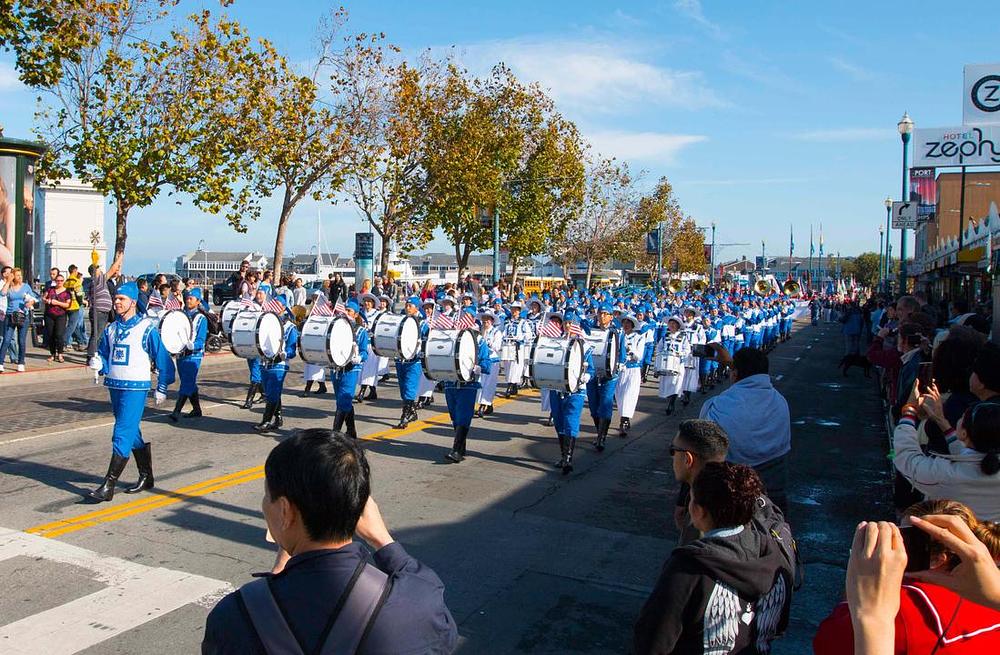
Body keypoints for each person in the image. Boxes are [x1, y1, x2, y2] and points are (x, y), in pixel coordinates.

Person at [201, 429, 458, 654]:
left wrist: (278, 569)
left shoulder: (235, 617)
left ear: (285, 511)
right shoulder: (418, 604)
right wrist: (383, 539)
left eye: (268, 496)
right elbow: (442, 633)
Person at [633, 462, 792, 654]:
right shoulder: (775, 558)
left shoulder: (689, 569)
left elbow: (652, 643)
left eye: (690, 499)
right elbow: (779, 626)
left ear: (698, 511)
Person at [814, 499, 1000, 654]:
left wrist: (856, 597)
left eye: (905, 539)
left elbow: (826, 643)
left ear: (936, 559)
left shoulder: (901, 610)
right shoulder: (990, 593)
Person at [86, 282, 176, 501]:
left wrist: (162, 386)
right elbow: (106, 356)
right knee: (131, 432)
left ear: (133, 302)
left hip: (135, 387)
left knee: (121, 432)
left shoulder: (146, 329)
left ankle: (108, 485)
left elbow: (164, 360)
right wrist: (99, 364)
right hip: (115, 386)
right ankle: (147, 476)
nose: (116, 302)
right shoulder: (111, 329)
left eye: (121, 299)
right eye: (115, 299)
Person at [699, 347, 791, 511]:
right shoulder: (780, 402)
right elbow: (754, 382)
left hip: (727, 495)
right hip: (771, 496)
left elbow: (701, 451)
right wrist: (731, 365)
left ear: (734, 373)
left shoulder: (716, 406)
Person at [894, 383, 1000, 521]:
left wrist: (909, 411)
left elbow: (907, 457)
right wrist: (941, 420)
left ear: (963, 433)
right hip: (991, 539)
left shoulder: (946, 474)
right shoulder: (986, 463)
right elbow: (969, 456)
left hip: (952, 539)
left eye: (962, 418)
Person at [443, 308, 493, 463]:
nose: (464, 320)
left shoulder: (479, 340)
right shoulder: (450, 336)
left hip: (468, 384)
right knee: (454, 417)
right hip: (451, 383)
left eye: (468, 317)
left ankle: (456, 450)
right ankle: (461, 447)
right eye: (462, 317)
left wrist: (480, 367)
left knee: (464, 416)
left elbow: (487, 362)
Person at [670, 419, 730, 546]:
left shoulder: (700, 518)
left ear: (688, 459)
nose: (672, 457)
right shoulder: (732, 495)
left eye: (673, 450)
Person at [254, 298, 299, 433]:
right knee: (270, 391)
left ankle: (266, 421)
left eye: (277, 305)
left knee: (272, 392)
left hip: (279, 364)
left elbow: (292, 349)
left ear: (284, 308)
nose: (273, 307)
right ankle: (278, 418)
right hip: (265, 362)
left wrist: (286, 354)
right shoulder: (266, 323)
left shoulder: (290, 327)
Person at [169, 288, 209, 422]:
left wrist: (194, 345)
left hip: (194, 355)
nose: (188, 300)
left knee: (186, 382)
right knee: (189, 382)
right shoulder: (182, 315)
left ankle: (176, 411)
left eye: (191, 298)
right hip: (182, 354)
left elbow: (201, 339)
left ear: (198, 301)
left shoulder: (201, 318)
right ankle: (197, 410)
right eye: (187, 298)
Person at [330, 300, 368, 440]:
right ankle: (351, 430)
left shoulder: (361, 330)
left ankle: (335, 433)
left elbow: (365, 352)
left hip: (352, 369)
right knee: (342, 400)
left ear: (356, 314)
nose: (346, 312)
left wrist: (359, 357)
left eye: (349, 311)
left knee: (344, 399)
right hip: (337, 368)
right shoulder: (337, 328)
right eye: (345, 310)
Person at [585, 304, 621, 449]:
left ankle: (602, 437)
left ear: (611, 317)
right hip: (592, 374)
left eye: (606, 314)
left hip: (609, 374)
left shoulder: (617, 332)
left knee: (605, 404)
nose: (602, 316)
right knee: (594, 406)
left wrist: (619, 364)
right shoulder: (590, 330)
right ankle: (598, 432)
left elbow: (621, 351)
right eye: (601, 313)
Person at [0, 267, 39, 372]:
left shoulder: (26, 287)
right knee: (7, 339)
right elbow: (2, 293)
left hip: (23, 316)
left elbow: (35, 298)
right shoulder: (9, 287)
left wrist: (31, 302)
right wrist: (8, 281)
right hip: (10, 315)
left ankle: (21, 362)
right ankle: (0, 363)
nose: (20, 277)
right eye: (17, 275)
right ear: (13, 276)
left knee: (21, 340)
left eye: (20, 275)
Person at [87, 253, 122, 367]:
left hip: (102, 311)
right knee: (97, 334)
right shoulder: (98, 280)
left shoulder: (96, 281)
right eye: (98, 269)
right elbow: (112, 270)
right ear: (95, 272)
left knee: (98, 334)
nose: (101, 271)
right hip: (99, 311)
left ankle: (94, 353)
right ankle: (92, 356)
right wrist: (119, 259)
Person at [42, 272, 72, 362]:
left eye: (61, 281)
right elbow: (43, 298)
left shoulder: (67, 292)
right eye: (58, 281)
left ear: (63, 281)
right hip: (49, 314)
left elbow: (68, 305)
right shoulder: (50, 289)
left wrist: (57, 303)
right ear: (55, 281)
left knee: (59, 335)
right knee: (50, 334)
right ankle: (52, 354)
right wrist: (47, 301)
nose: (59, 282)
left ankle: (60, 353)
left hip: (61, 315)